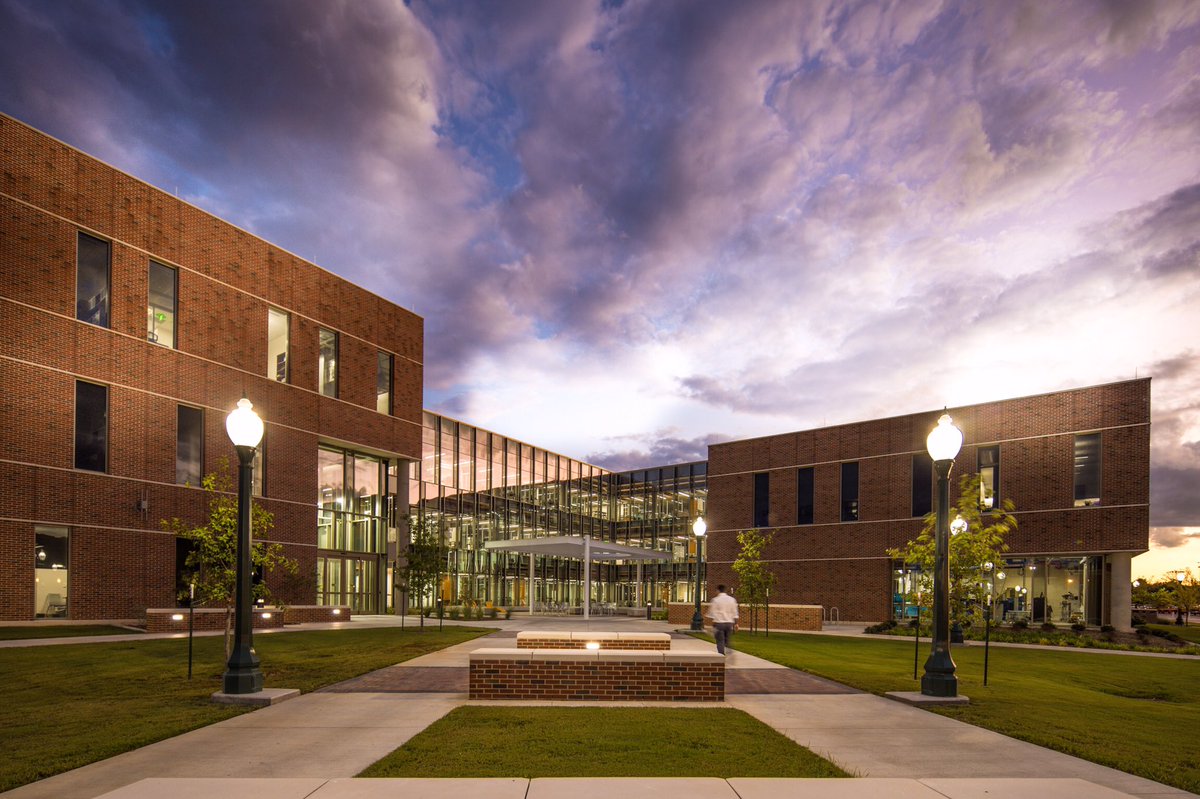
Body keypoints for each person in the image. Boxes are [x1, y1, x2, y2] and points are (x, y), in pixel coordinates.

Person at [706, 584, 739, 655]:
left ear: (718, 590)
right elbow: (735, 613)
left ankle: (721, 655)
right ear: (725, 590)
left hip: (719, 623)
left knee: (720, 641)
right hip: (729, 623)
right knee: (727, 640)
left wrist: (713, 625)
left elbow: (712, 613)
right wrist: (736, 623)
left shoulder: (715, 600)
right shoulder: (732, 600)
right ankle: (729, 652)